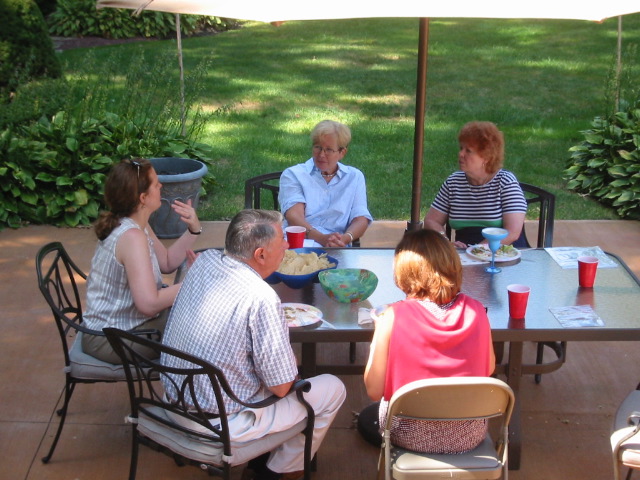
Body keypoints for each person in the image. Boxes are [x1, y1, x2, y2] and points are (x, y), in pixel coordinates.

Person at [161, 209, 346, 480]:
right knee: (332, 388)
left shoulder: (205, 260)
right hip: (221, 424)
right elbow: (281, 387)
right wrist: (288, 360)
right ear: (260, 255)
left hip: (173, 401)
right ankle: (278, 472)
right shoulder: (261, 297)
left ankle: (264, 460)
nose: (286, 245)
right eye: (282, 239)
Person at [364, 229, 495, 454]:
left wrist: (379, 331)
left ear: (402, 273)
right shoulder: (477, 311)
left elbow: (374, 391)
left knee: (367, 418)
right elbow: (489, 368)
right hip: (468, 435)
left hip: (408, 434)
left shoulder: (392, 317)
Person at [82, 158, 200, 364]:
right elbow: (149, 303)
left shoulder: (136, 224)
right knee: (202, 329)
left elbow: (167, 262)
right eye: (156, 183)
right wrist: (196, 283)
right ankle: (191, 391)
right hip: (111, 339)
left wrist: (194, 229)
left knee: (197, 316)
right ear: (143, 197)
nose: (161, 185)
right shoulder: (132, 237)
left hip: (124, 327)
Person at [423, 121, 527, 248]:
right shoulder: (453, 182)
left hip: (505, 253)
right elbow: (431, 221)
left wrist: (477, 251)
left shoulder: (505, 182)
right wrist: (445, 242)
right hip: (466, 255)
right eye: (461, 148)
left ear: (487, 157)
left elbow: (512, 233)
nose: (461, 154)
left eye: (468, 151)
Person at [279, 120, 373, 247]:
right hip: (302, 244)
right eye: (318, 147)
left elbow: (361, 218)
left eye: (329, 150)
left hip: (337, 245)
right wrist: (321, 238)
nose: (321, 155)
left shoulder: (354, 177)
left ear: (342, 153)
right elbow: (294, 216)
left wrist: (345, 239)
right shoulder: (294, 174)